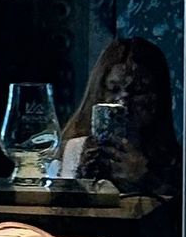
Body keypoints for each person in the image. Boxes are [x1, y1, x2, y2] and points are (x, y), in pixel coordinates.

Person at [61, 36, 179, 196]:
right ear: (99, 92)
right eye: (113, 89)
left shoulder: (177, 165)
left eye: (138, 91)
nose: (123, 102)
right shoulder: (71, 150)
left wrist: (146, 179)